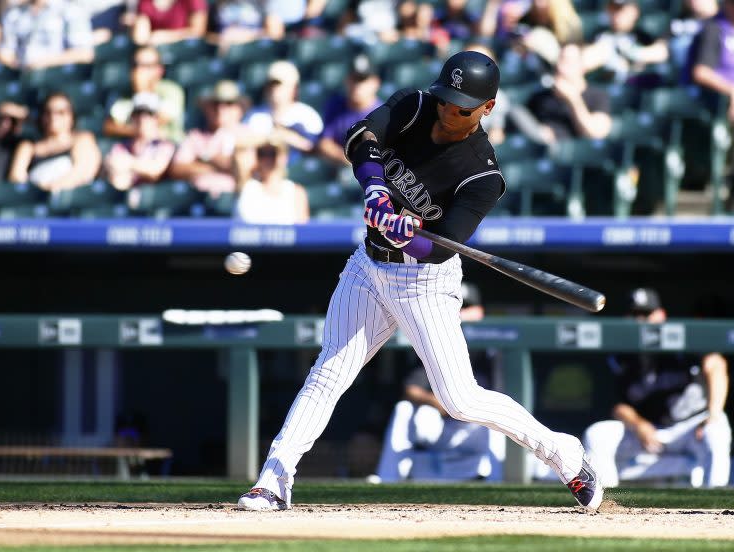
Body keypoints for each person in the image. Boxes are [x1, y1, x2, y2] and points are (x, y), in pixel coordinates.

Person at [236, 50, 604, 512]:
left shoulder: (483, 175)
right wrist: (373, 186)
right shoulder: (415, 106)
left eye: (463, 106)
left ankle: (563, 453)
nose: (450, 112)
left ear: (487, 108)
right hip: (368, 267)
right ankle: (274, 479)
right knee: (329, 370)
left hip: (424, 282)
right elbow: (361, 137)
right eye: (447, 99)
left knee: (460, 399)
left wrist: (407, 237)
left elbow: (444, 246)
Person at [583, 288, 731, 488]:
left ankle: (715, 500)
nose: (640, 320)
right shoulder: (620, 357)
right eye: (635, 315)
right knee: (597, 434)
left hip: (690, 428)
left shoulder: (681, 340)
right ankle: (606, 499)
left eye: (646, 314)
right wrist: (638, 424)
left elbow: (716, 365)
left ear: (661, 315)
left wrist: (713, 414)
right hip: (649, 429)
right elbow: (617, 405)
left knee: (717, 429)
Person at [372, 282, 506, 482]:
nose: (459, 314)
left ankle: (498, 481)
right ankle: (387, 478)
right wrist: (440, 402)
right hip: (442, 424)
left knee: (499, 415)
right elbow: (410, 389)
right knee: (404, 409)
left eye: (465, 308)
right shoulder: (436, 343)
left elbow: (503, 396)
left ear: (479, 312)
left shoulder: (492, 349)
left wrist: (466, 405)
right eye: (455, 307)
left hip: (474, 427)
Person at [169, 80, 256, 197]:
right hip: (199, 199)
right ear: (207, 108)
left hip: (236, 199)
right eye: (216, 103)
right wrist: (215, 167)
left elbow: (245, 168)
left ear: (239, 109)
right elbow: (177, 169)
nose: (221, 109)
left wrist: (205, 157)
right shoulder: (196, 136)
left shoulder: (249, 135)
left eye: (228, 103)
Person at [7, 92, 100, 192]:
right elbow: (16, 178)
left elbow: (83, 172)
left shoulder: (82, 139)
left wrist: (51, 188)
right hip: (34, 198)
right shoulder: (28, 146)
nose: (53, 117)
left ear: (71, 116)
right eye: (48, 112)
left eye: (61, 112)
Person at [526, 43, 613, 146]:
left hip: (574, 153)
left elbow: (595, 133)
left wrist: (573, 99)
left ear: (581, 67)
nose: (559, 67)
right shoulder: (541, 96)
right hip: (538, 150)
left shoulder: (598, 96)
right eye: (559, 59)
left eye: (567, 61)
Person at [243, 59, 323, 164]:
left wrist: (283, 135)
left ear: (294, 89)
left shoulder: (307, 115)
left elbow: (314, 148)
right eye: (270, 84)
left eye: (278, 85)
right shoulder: (254, 115)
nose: (273, 89)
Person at [103, 45, 185, 142]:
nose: (138, 70)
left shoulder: (171, 90)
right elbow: (109, 126)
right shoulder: (124, 95)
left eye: (145, 65)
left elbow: (158, 120)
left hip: (169, 147)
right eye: (135, 65)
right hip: (135, 152)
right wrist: (136, 130)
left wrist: (131, 128)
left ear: (159, 69)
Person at [581, 0, 669, 86]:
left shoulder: (642, 35)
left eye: (621, 10)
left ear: (634, 11)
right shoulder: (599, 34)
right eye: (613, 9)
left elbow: (661, 52)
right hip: (602, 82)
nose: (617, 14)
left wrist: (632, 53)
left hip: (634, 86)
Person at [316, 53, 382, 167]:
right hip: (341, 168)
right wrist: (350, 161)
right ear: (347, 80)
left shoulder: (382, 114)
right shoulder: (336, 105)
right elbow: (324, 144)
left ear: (375, 83)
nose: (357, 86)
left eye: (362, 80)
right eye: (354, 79)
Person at [104, 93, 176, 191]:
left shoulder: (164, 145)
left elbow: (155, 171)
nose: (142, 118)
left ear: (156, 118)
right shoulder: (122, 146)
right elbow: (116, 173)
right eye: (137, 114)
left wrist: (129, 163)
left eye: (148, 114)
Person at [0, 0, 94, 70]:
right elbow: (7, 51)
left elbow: (85, 54)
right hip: (23, 76)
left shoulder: (70, 9)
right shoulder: (14, 13)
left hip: (56, 75)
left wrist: (44, 62)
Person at [233, 136, 310, 224]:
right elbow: (238, 150)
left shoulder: (296, 192)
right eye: (261, 154)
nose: (267, 159)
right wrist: (267, 136)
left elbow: (302, 232)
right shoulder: (247, 186)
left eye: (272, 154)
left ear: (284, 157)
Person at [131, 0, 208, 46]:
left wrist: (167, 37)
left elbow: (198, 31)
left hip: (184, 47)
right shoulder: (144, 2)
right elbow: (141, 37)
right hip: (154, 49)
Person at [0, 101, 28, 184]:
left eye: (12, 121)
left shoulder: (19, 146)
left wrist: (20, 113)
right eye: (0, 118)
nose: (4, 124)